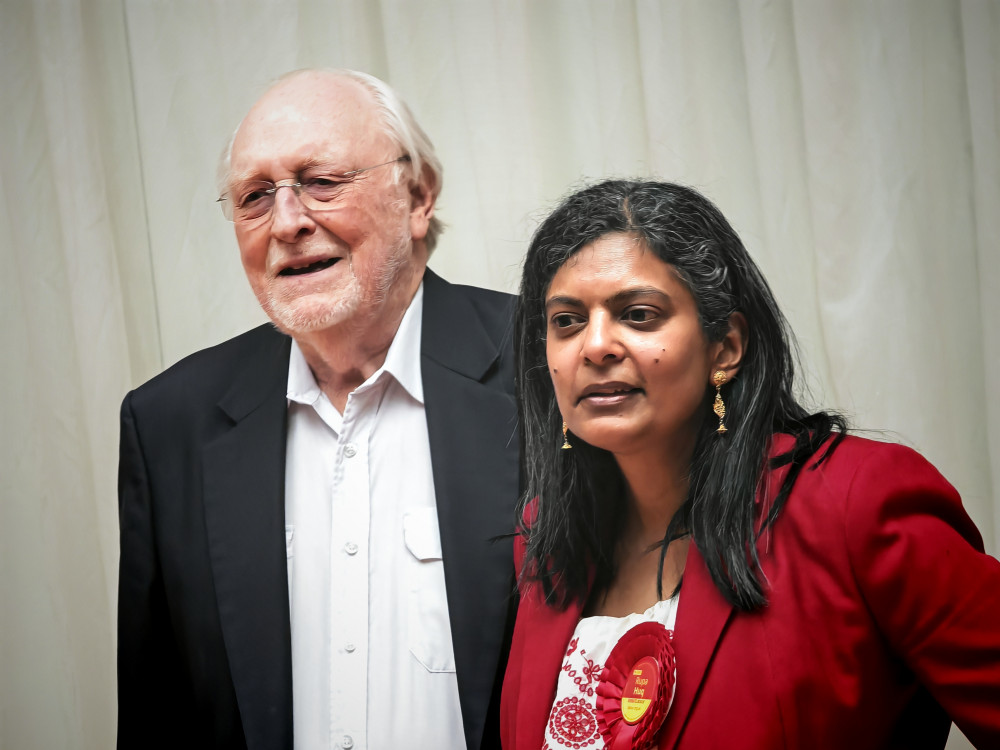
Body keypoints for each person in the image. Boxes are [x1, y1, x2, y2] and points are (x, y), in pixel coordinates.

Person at [500, 179, 1000, 749]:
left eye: (637, 314)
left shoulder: (856, 503)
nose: (594, 346)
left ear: (726, 347)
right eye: (565, 321)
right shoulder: (544, 536)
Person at [117, 69, 518, 750]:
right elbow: (160, 719)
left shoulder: (549, 371)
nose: (287, 222)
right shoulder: (168, 426)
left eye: (322, 182)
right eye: (254, 197)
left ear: (418, 197)